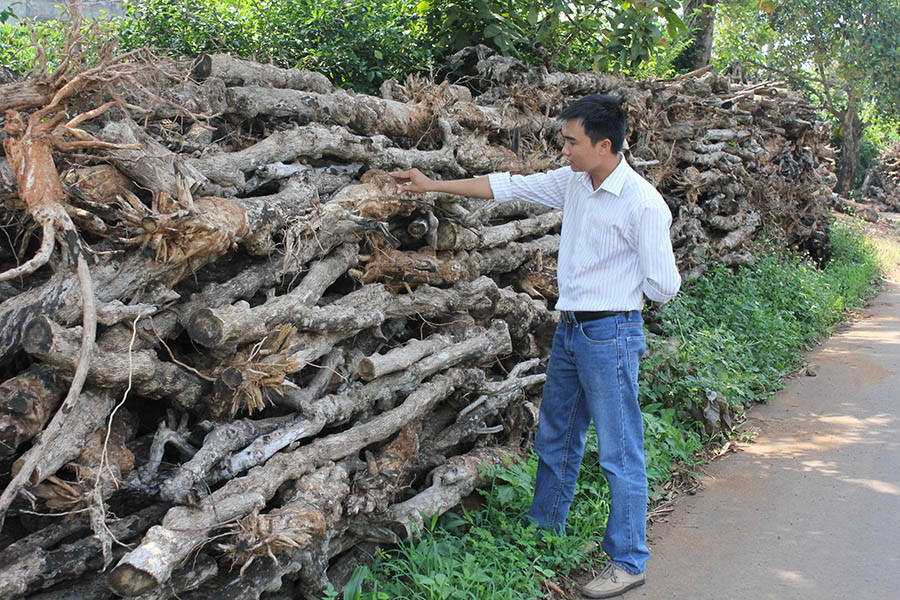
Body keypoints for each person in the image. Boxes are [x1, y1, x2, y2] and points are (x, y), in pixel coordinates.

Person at [390, 94, 680, 598]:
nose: (563, 149)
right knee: (556, 438)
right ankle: (544, 530)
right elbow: (506, 187)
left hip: (610, 334)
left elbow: (664, 284)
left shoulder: (641, 202)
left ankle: (629, 560)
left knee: (619, 452)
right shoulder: (574, 183)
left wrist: (618, 303)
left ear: (604, 144)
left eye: (571, 141)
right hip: (571, 330)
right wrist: (430, 182)